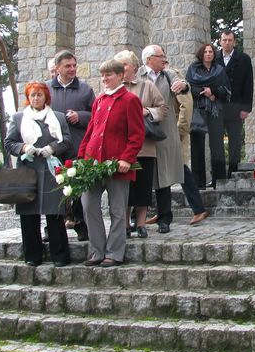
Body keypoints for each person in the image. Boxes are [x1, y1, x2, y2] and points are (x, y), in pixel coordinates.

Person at [78, 60, 144, 267]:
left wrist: (127, 158)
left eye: (109, 75)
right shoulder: (98, 101)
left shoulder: (130, 100)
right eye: (102, 75)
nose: (105, 79)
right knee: (88, 206)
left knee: (117, 210)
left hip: (118, 165)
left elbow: (137, 135)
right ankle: (98, 251)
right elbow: (90, 132)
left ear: (119, 75)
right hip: (92, 165)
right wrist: (81, 158)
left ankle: (114, 253)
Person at [4, 82, 72, 267]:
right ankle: (32, 255)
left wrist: (53, 148)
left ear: (46, 97)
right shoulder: (18, 118)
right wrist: (24, 147)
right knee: (28, 214)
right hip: (27, 168)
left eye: (39, 95)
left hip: (51, 169)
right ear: (28, 98)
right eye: (32, 95)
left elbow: (66, 141)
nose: (36, 98)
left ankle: (60, 255)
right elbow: (9, 143)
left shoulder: (57, 117)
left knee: (55, 212)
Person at [114, 49, 167, 238]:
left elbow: (163, 108)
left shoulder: (147, 86)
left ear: (135, 67)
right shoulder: (113, 88)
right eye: (118, 64)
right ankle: (125, 223)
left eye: (124, 64)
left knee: (143, 185)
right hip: (120, 146)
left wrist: (148, 112)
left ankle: (142, 223)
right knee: (123, 185)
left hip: (144, 146)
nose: (121, 68)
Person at [138, 45, 190, 234]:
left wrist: (184, 85)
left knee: (164, 175)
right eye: (161, 56)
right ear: (149, 59)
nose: (164, 59)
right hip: (143, 132)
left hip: (165, 131)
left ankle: (165, 218)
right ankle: (139, 219)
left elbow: (183, 85)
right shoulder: (138, 75)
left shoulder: (168, 75)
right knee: (143, 176)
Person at [47, 50, 95, 241]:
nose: (72, 69)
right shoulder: (46, 90)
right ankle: (52, 228)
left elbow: (96, 116)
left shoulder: (85, 90)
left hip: (77, 145)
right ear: (57, 68)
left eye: (74, 65)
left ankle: (81, 224)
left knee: (78, 187)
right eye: (67, 66)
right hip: (53, 148)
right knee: (54, 191)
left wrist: (80, 116)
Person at [186, 43, 231, 191]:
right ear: (201, 54)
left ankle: (219, 180)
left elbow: (226, 89)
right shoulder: (193, 69)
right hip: (198, 110)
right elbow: (188, 88)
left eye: (210, 51)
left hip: (215, 110)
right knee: (197, 146)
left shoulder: (219, 70)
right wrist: (203, 92)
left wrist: (213, 92)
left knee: (217, 145)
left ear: (214, 54)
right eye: (205, 52)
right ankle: (198, 182)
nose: (208, 54)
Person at [172, 68, 210, 225]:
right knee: (159, 173)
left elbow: (185, 103)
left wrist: (180, 128)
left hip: (172, 129)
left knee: (180, 169)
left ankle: (198, 209)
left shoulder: (173, 76)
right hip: (158, 131)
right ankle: (161, 212)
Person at [219, 29, 254, 178]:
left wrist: (246, 108)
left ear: (234, 41)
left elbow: (248, 84)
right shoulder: (214, 58)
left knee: (235, 141)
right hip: (218, 107)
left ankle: (233, 172)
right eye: (224, 40)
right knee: (216, 141)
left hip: (236, 106)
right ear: (220, 41)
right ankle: (219, 173)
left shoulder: (244, 59)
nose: (227, 43)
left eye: (230, 40)